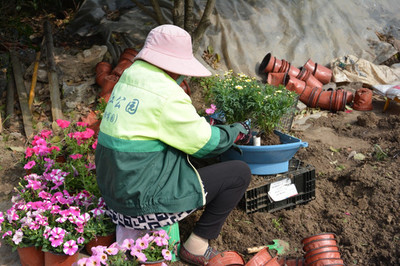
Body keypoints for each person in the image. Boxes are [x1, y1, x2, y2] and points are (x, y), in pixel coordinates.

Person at [95, 24, 252, 265]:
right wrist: (236, 131)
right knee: (238, 173)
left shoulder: (129, 78)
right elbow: (208, 144)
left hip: (114, 194)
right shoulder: (166, 94)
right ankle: (197, 245)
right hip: (141, 205)